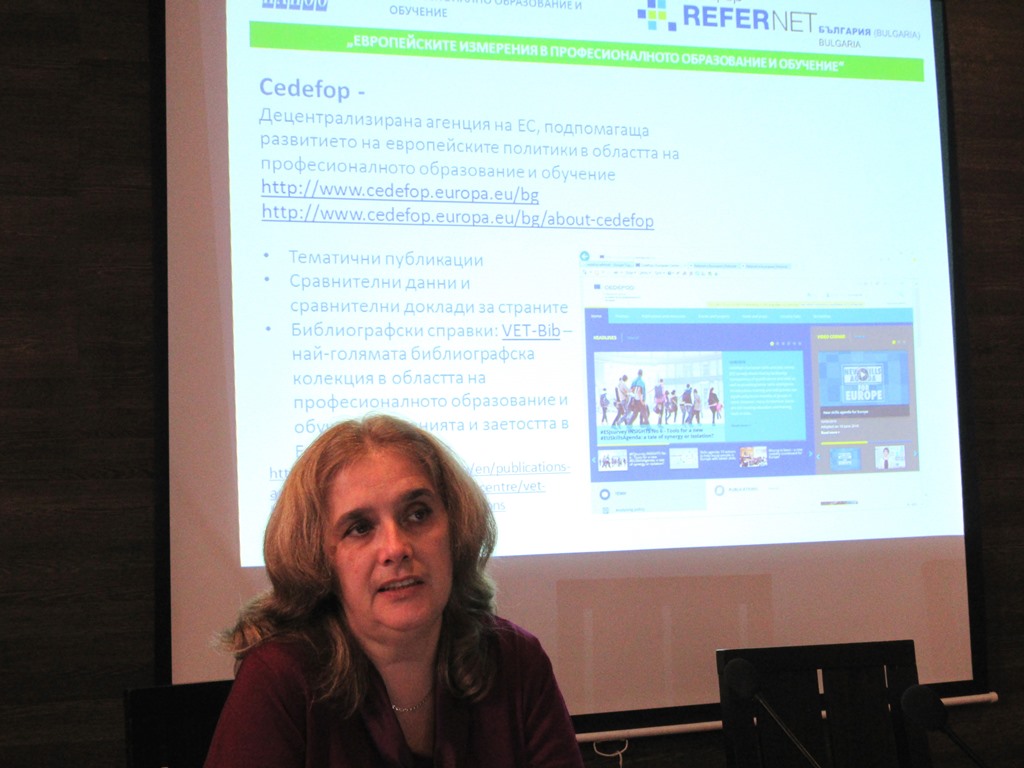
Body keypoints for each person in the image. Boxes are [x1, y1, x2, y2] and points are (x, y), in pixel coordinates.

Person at [204, 414, 584, 768]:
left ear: (455, 527)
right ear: (319, 558)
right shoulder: (280, 678)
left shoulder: (514, 660)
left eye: (418, 514)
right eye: (360, 528)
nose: (396, 547)